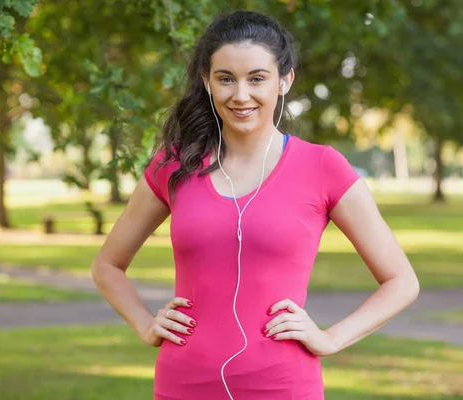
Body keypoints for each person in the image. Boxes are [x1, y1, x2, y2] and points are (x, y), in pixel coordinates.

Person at [91, 10, 419, 400]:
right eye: (225, 78)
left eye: (257, 79)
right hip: (182, 385)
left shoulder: (323, 167)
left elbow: (402, 282)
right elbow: (107, 266)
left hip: (284, 386)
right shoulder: (174, 166)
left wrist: (330, 338)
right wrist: (146, 324)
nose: (240, 95)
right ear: (206, 81)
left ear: (285, 80)